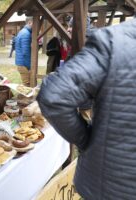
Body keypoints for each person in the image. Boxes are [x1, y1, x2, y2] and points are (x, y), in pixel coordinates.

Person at [37, 18, 136, 199]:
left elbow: (54, 96)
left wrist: (86, 141)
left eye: (72, 25)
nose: (69, 28)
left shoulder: (113, 41)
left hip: (107, 187)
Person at [15, 17, 33, 86]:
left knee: (27, 84)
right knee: (27, 85)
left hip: (21, 63)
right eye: (34, 23)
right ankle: (25, 97)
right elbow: (25, 52)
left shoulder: (23, 31)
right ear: (29, 22)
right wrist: (29, 67)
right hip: (24, 64)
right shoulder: (26, 34)